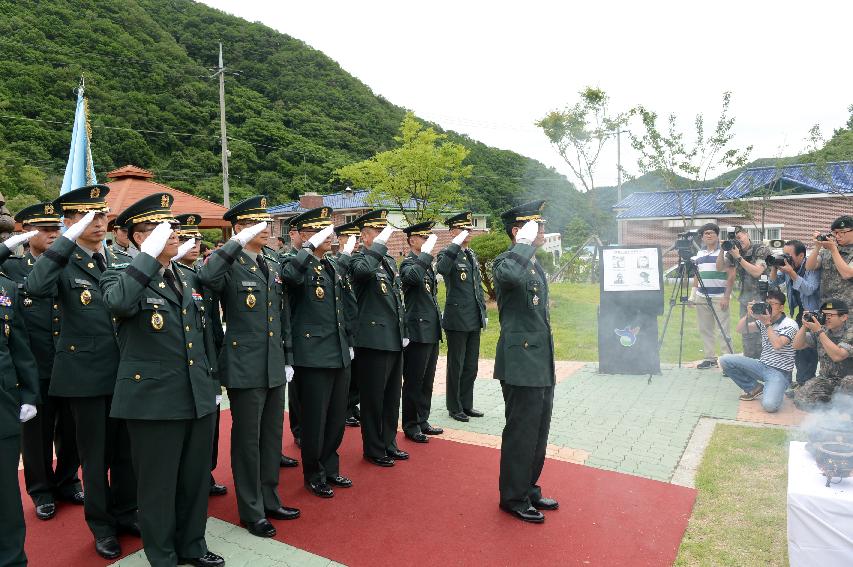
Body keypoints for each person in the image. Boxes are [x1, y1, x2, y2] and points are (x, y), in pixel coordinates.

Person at [101, 194, 224, 567]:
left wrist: (210, 382)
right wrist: (147, 259)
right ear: (139, 237)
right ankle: (164, 556)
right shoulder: (121, 274)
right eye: (158, 228)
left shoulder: (186, 276)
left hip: (195, 394)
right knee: (157, 488)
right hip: (153, 399)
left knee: (193, 480)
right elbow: (120, 303)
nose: (172, 233)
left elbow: (202, 336)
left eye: (170, 226)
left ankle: (192, 545)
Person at [26, 185, 138, 559]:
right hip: (87, 377)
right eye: (88, 217)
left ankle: (125, 513)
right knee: (95, 458)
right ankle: (102, 526)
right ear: (70, 222)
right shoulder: (64, 260)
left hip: (125, 373)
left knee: (125, 453)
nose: (99, 222)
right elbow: (35, 287)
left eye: (103, 215)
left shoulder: (114, 258)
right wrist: (66, 242)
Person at [198, 195, 300, 539]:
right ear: (240, 227)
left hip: (272, 363)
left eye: (268, 222)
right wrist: (233, 244)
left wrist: (286, 357)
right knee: (247, 441)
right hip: (244, 365)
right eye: (258, 223)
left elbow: (281, 314)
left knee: (271, 437)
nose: (268, 228)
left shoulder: (269, 261)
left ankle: (270, 497)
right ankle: (251, 509)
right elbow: (207, 278)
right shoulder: (226, 261)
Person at [0, 204, 82, 521]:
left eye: (56, 229)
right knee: (36, 436)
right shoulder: (14, 270)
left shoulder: (67, 264)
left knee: (72, 430)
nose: (52, 234)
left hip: (71, 362)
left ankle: (68, 480)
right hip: (37, 364)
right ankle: (41, 489)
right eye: (44, 229)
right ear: (27, 232)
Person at [280, 207, 354, 498]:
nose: (328, 236)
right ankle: (313, 472)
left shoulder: (331, 265)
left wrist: (348, 341)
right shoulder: (293, 261)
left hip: (336, 351)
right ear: (304, 235)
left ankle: (330, 466)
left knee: (336, 417)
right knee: (315, 420)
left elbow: (343, 308)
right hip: (311, 355)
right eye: (318, 231)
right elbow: (290, 278)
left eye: (329, 230)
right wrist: (308, 249)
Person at [493, 200, 558, 524]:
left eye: (542, 225)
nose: (543, 231)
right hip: (520, 362)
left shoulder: (532, 263)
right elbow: (508, 280)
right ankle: (513, 497)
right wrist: (520, 244)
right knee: (521, 432)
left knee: (538, 431)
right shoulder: (507, 261)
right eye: (536, 226)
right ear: (518, 231)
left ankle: (528, 488)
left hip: (539, 361)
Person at [174, 214, 228, 497]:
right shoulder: (174, 276)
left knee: (211, 426)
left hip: (208, 357)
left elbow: (213, 324)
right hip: (183, 364)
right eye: (185, 239)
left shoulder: (203, 274)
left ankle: (205, 473)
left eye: (196, 239)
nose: (193, 245)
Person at [349, 209, 409, 467]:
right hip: (372, 340)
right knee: (373, 399)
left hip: (393, 339)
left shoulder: (388, 262)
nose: (384, 235)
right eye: (378, 231)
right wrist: (378, 247)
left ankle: (388, 441)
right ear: (364, 235)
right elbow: (361, 274)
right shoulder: (358, 259)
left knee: (392, 396)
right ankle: (374, 448)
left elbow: (396, 301)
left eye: (385, 230)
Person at [0, 262, 39, 567]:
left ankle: (13, 561)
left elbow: (20, 346)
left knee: (5, 495)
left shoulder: (7, 288)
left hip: (3, 404)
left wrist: (28, 394)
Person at [436, 211, 487, 422]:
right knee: (456, 365)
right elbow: (441, 269)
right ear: (453, 232)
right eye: (463, 229)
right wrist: (454, 245)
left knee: (471, 365)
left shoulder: (471, 254)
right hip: (457, 318)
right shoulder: (447, 253)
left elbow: (476, 287)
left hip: (474, 317)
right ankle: (454, 406)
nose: (468, 232)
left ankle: (467, 404)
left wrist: (483, 312)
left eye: (470, 228)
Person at [400, 221, 444, 443]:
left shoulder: (426, 265)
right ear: (412, 241)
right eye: (423, 238)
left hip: (431, 329)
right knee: (414, 381)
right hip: (417, 330)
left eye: (429, 238)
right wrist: (426, 257)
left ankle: (422, 418)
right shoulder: (408, 264)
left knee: (427, 380)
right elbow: (413, 279)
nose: (427, 242)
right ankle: (410, 423)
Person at [719, 290, 798, 413]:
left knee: (769, 406)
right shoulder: (763, 321)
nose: (768, 307)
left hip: (780, 372)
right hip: (762, 366)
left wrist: (767, 324)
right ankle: (754, 388)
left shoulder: (790, 325)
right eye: (766, 304)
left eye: (772, 304)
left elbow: (777, 344)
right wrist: (748, 314)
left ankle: (776, 388)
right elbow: (740, 329)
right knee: (725, 360)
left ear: (781, 307)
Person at [770, 239, 821, 387]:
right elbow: (773, 283)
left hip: (816, 313)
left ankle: (807, 382)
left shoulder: (811, 266)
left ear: (801, 256)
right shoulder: (788, 266)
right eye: (783, 254)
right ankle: (801, 381)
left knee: (808, 349)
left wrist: (791, 273)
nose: (785, 258)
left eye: (789, 255)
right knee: (798, 348)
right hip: (802, 312)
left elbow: (809, 289)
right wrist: (775, 267)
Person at [716, 226, 771, 359]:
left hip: (765, 298)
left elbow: (757, 272)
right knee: (747, 335)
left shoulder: (760, 249)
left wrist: (739, 257)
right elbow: (720, 268)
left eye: (740, 237)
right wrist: (722, 250)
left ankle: (768, 365)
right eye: (735, 239)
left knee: (766, 333)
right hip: (745, 300)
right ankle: (750, 364)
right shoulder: (734, 251)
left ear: (747, 234)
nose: (739, 242)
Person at [793, 300, 853, 410]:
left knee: (847, 387)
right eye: (824, 314)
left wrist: (819, 332)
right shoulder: (822, 330)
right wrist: (804, 325)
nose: (826, 318)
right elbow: (797, 345)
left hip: (849, 381)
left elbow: (838, 356)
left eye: (830, 315)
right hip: (827, 379)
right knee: (801, 399)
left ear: (843, 317)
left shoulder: (850, 332)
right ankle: (830, 410)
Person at [692, 223, 734, 369]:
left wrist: (726, 297)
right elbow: (697, 275)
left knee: (723, 330)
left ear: (717, 235)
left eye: (711, 233)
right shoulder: (700, 254)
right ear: (702, 237)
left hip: (719, 296)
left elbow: (731, 275)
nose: (708, 235)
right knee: (705, 329)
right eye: (705, 233)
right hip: (702, 296)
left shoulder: (726, 252)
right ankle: (710, 358)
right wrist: (693, 295)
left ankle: (728, 362)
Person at [333, 220, 362, 428]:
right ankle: (345, 409)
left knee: (358, 372)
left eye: (357, 237)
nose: (355, 241)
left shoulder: (358, 262)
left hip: (359, 323)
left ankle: (353, 404)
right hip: (343, 325)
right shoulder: (336, 263)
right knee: (347, 373)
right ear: (340, 239)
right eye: (350, 237)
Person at [805, 215, 853, 304]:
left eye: (842, 232)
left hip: (848, 309)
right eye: (835, 232)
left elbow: (847, 274)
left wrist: (833, 250)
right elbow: (809, 267)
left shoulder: (832, 249)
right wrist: (817, 247)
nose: (837, 236)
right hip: (827, 306)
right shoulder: (828, 250)